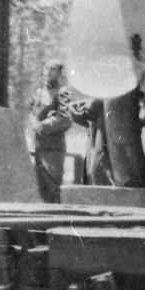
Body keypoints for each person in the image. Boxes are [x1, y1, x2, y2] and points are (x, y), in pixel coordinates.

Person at [28, 60, 90, 202]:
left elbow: (65, 119)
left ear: (60, 73)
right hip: (37, 146)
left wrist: (42, 126)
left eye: (53, 69)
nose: (48, 72)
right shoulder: (39, 92)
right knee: (39, 189)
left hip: (53, 150)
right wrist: (34, 122)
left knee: (52, 188)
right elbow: (31, 112)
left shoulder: (63, 93)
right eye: (46, 68)